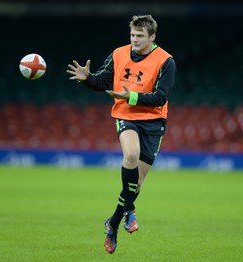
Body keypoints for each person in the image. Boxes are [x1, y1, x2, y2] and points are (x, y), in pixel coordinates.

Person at [67, 14, 176, 254]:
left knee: (136, 184)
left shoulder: (166, 61)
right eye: (132, 35)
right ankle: (129, 210)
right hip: (126, 115)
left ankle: (113, 224)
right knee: (131, 155)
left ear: (152, 37)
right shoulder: (118, 54)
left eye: (140, 36)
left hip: (154, 121)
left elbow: (160, 97)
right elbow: (103, 82)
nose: (135, 39)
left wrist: (131, 96)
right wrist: (87, 80)